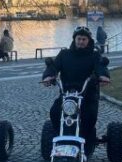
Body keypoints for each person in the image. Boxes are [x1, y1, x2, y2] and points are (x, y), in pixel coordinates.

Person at [41, 26, 110, 155]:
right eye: (79, 39)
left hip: (87, 94)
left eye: (84, 39)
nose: (81, 42)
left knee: (89, 115)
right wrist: (48, 76)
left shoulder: (94, 55)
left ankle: (86, 140)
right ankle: (59, 136)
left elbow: (101, 66)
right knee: (55, 111)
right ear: (74, 39)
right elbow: (53, 67)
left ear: (89, 40)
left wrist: (103, 76)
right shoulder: (64, 54)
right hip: (67, 94)